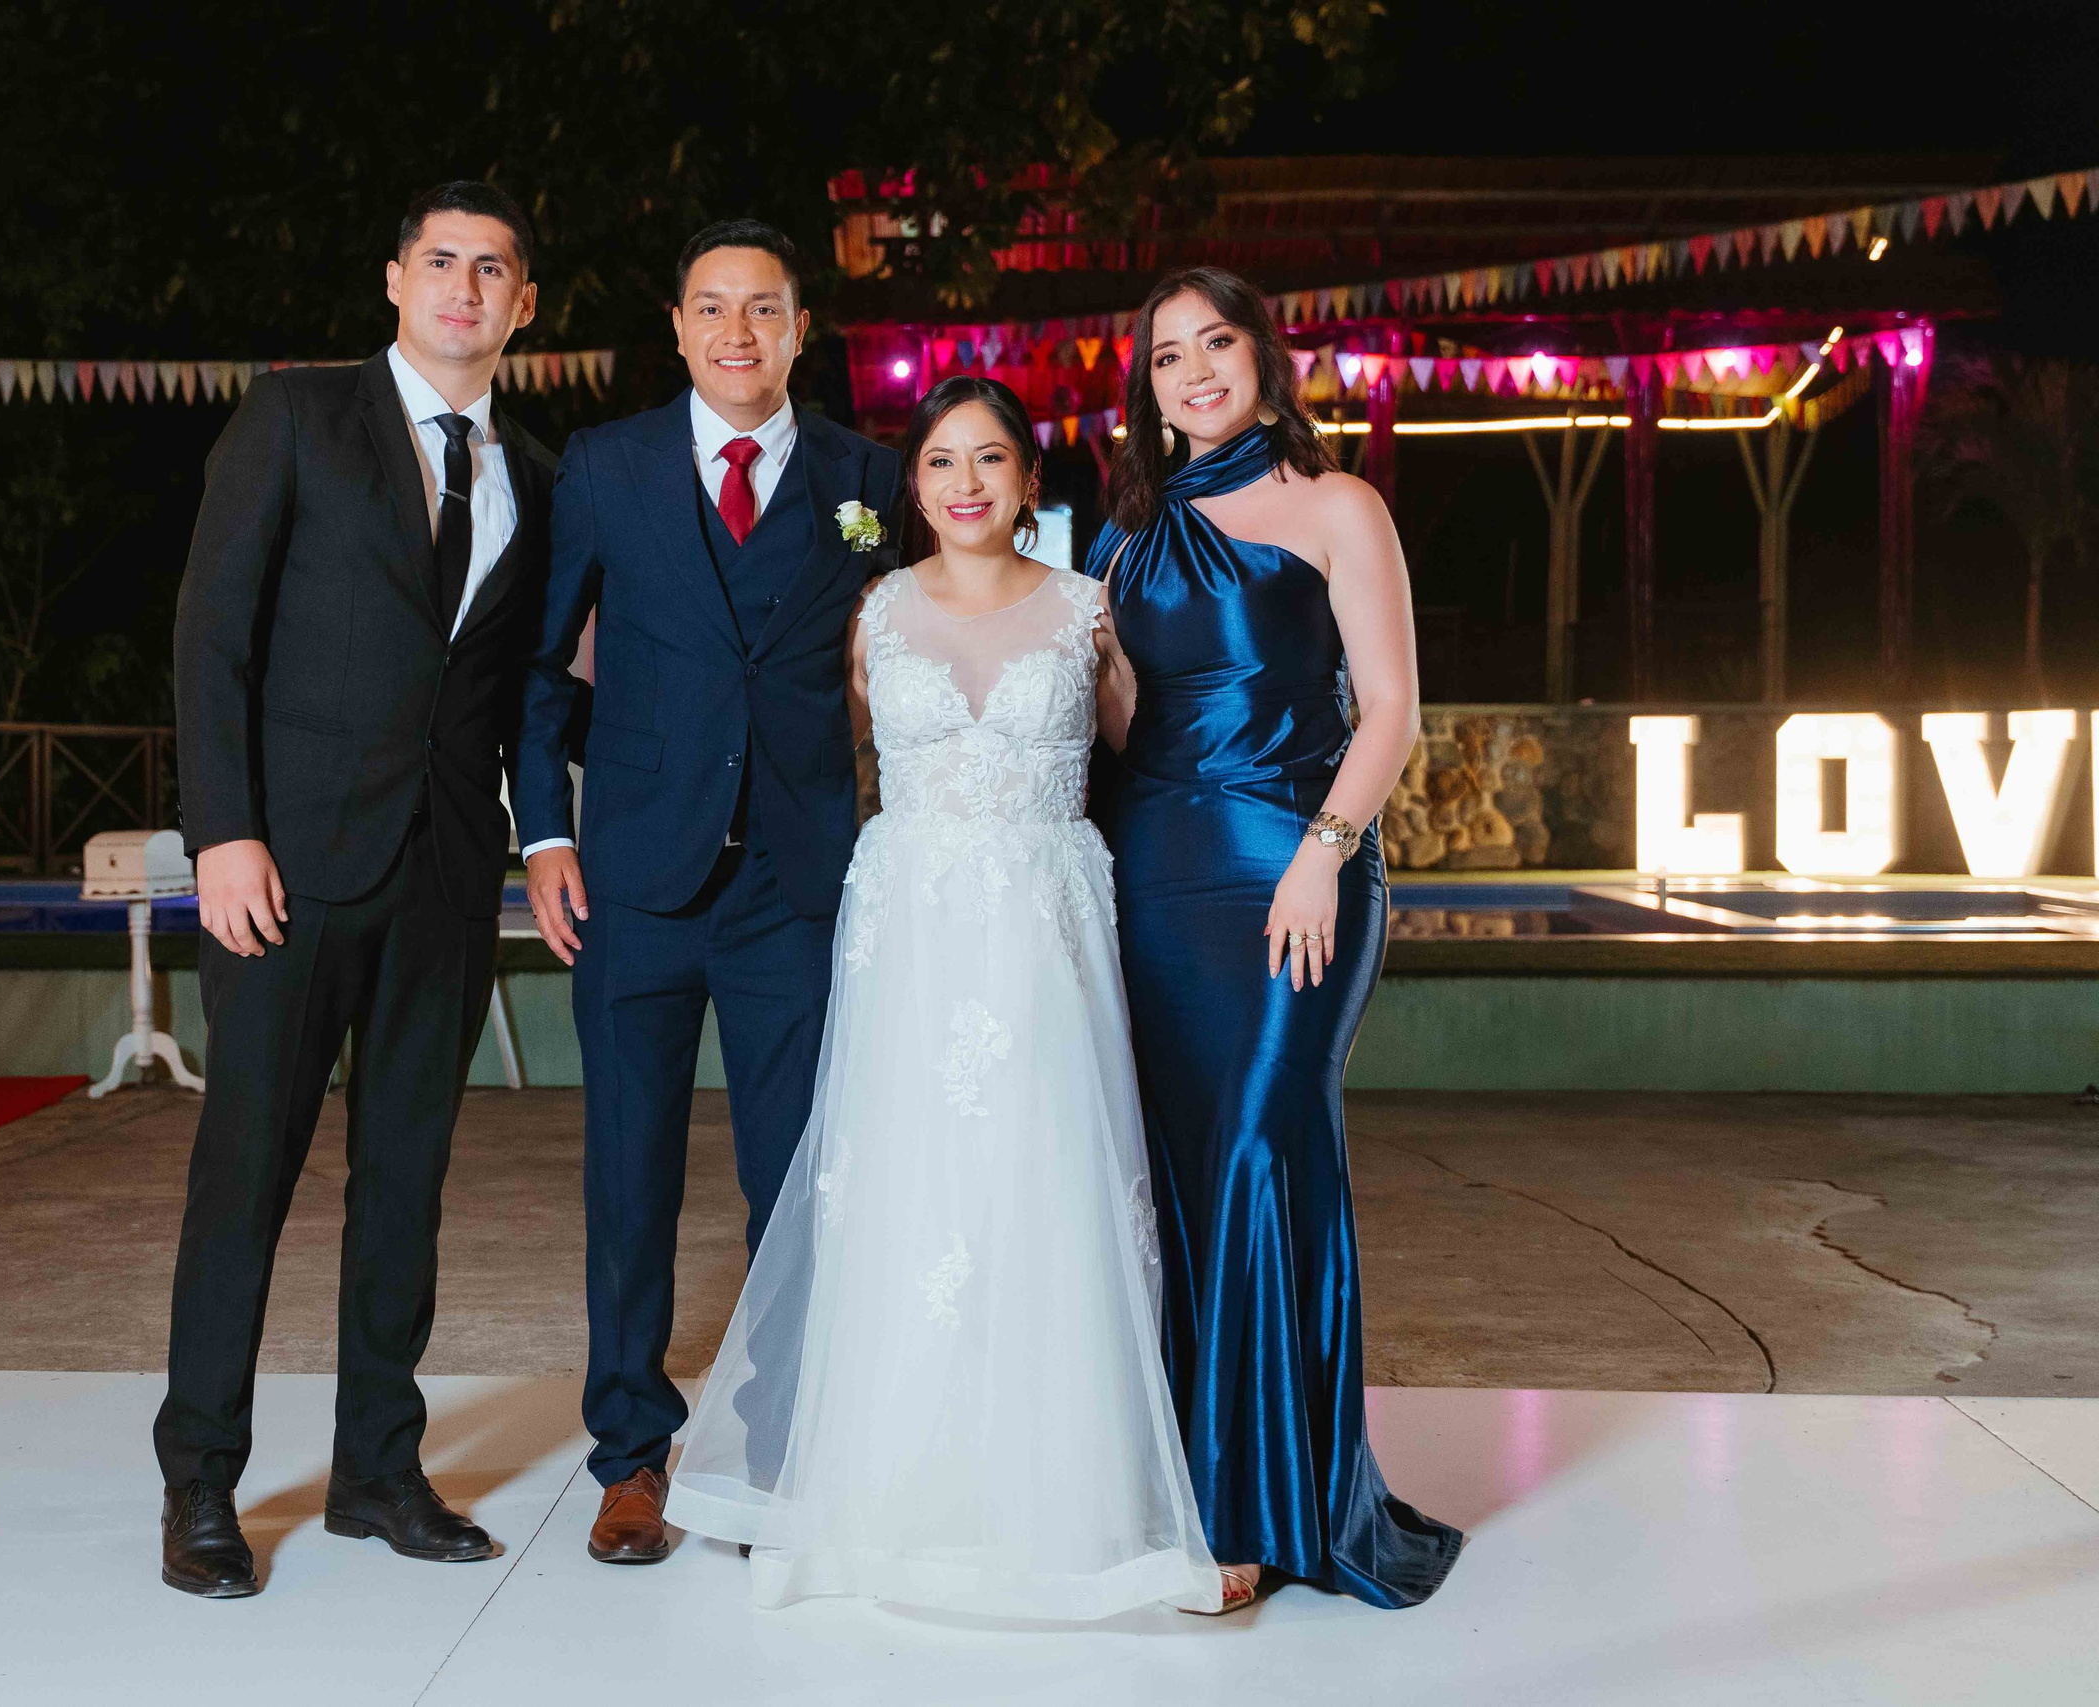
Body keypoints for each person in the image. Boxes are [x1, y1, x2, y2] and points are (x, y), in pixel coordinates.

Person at [665, 378, 1224, 1619]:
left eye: (989, 459)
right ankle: (891, 1482)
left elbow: (1157, 759)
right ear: (911, 488)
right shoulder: (871, 611)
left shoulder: (1090, 608)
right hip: (910, 931)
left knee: (1043, 1175)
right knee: (910, 1185)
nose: (964, 483)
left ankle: (1057, 1487)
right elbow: (808, 754)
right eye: (939, 462)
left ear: (1029, 479)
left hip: (1042, 929)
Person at [154, 182, 555, 1598]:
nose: (464, 286)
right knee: (246, 1173)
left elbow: (509, 683)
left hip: (444, 877)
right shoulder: (296, 416)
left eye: (491, 269)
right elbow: (211, 632)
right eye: (440, 260)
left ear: (523, 305)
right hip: (287, 869)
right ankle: (201, 1479)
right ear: (395, 280)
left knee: (405, 1182)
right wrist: (223, 831)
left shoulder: (534, 473)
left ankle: (378, 1470)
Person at [515, 220, 903, 1565]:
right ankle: (631, 1454)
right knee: (629, 1175)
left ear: (800, 329)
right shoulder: (606, 465)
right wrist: (543, 834)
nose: (739, 332)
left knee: (794, 1179)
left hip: (794, 880)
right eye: (712, 308)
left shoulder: (866, 475)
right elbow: (543, 666)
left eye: (764, 309)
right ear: (677, 328)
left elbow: (917, 637)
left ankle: (780, 1452)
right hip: (634, 875)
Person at [1088, 266, 1464, 1612]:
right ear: (1147, 385)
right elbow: (1124, 725)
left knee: (1260, 1144)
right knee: (1178, 1172)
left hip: (1298, 867)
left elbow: (1392, 707)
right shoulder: (1126, 534)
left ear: (1262, 355)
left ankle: (1263, 1502)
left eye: (1215, 342)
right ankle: (1193, 1484)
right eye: (1166, 354)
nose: (1193, 370)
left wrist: (1322, 851)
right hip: (1153, 872)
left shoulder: (1337, 504)